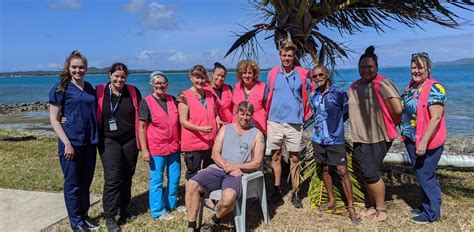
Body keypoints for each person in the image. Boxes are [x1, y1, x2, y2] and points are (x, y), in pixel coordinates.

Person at [185, 101, 265, 232]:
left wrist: (234, 167)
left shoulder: (257, 134)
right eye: (242, 113)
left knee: (228, 198)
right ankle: (192, 226)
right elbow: (215, 153)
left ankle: (213, 221)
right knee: (192, 184)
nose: (245, 117)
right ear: (237, 113)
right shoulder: (225, 129)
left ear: (252, 116)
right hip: (218, 168)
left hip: (238, 173)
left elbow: (257, 162)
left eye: (248, 115)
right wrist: (225, 165)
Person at [348, 46, 403, 222]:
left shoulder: (382, 83)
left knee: (371, 173)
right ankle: (372, 205)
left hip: (379, 136)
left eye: (369, 67)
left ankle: (381, 208)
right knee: (365, 172)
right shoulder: (354, 86)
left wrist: (390, 123)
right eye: (363, 67)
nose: (366, 70)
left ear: (376, 67)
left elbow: (398, 109)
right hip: (359, 137)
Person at [49, 50, 100, 232]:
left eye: (81, 67)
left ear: (85, 68)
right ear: (68, 68)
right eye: (74, 67)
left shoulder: (88, 87)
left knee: (86, 182)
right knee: (73, 184)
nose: (78, 70)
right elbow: (54, 119)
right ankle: (76, 222)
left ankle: (84, 215)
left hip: (89, 142)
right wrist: (67, 143)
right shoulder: (60, 88)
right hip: (71, 143)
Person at [309, 65, 360, 224]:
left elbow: (346, 112)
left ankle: (351, 207)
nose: (318, 78)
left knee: (342, 170)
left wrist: (335, 127)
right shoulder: (313, 95)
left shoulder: (338, 93)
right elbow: (316, 115)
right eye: (315, 76)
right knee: (324, 168)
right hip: (318, 139)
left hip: (335, 139)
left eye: (320, 75)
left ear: (327, 74)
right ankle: (332, 200)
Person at [400, 52, 447, 224]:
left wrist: (424, 142)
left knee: (425, 174)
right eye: (413, 67)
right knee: (422, 175)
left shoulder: (435, 87)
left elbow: (435, 118)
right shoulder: (412, 86)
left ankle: (432, 214)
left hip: (427, 142)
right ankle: (427, 204)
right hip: (412, 139)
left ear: (428, 68)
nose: (416, 71)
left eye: (420, 67)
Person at [266, 41, 313, 208]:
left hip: (295, 123)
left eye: (290, 55)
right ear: (280, 56)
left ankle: (295, 192)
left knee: (294, 158)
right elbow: (268, 94)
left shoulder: (302, 73)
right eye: (284, 55)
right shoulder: (272, 73)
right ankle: (277, 190)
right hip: (275, 121)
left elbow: (310, 92)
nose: (287, 58)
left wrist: (306, 113)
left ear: (294, 57)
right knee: (276, 156)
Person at [96, 63, 142, 231]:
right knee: (113, 178)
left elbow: (142, 113)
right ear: (110, 75)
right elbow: (84, 107)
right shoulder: (99, 91)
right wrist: (64, 116)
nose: (119, 79)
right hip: (109, 140)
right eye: (116, 76)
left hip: (130, 140)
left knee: (127, 175)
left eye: (122, 76)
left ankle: (124, 209)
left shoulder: (133, 91)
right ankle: (110, 216)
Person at [138, 71, 182, 221]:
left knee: (174, 178)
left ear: (167, 85)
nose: (160, 85)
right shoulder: (147, 101)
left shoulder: (172, 99)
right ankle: (158, 211)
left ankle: (171, 204)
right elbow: (142, 126)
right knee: (157, 180)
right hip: (156, 149)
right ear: (152, 85)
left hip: (173, 147)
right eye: (156, 83)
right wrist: (144, 149)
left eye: (162, 83)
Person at [177, 65, 221, 181]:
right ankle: (192, 198)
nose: (200, 81)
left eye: (202, 78)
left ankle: (205, 197)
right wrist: (200, 128)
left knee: (209, 171)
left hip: (210, 141)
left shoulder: (210, 95)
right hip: (193, 143)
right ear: (191, 78)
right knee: (193, 174)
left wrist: (218, 121)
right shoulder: (183, 96)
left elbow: (215, 114)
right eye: (197, 77)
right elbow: (183, 121)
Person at [232, 60, 268, 135]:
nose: (247, 76)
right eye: (244, 73)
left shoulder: (263, 87)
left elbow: (268, 108)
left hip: (258, 129)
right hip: (237, 129)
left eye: (250, 73)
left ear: (254, 74)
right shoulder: (235, 87)